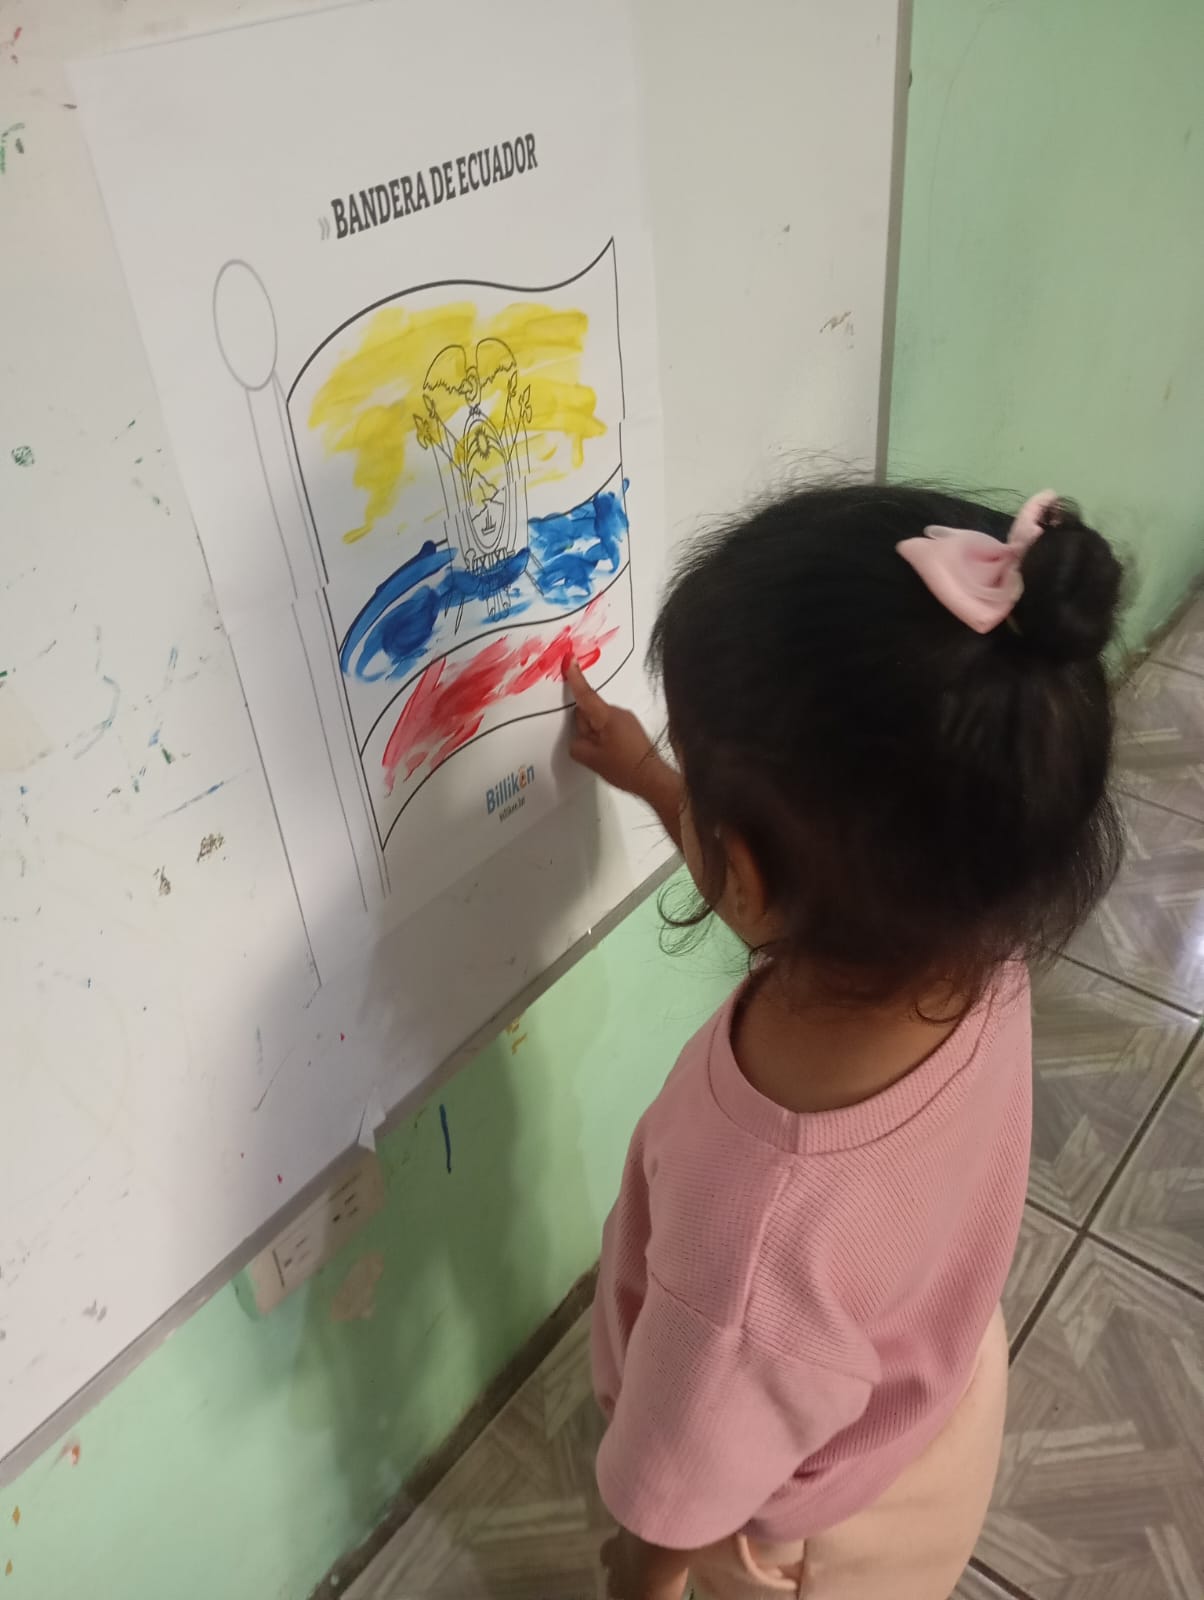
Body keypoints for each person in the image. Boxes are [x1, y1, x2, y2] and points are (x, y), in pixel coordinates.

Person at [566, 483, 1124, 1600]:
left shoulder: (748, 1246)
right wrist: (657, 781)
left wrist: (638, 1577)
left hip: (795, 1540)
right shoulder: (970, 950)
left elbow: (674, 1506)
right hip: (930, 1402)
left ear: (748, 866)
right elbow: (780, 899)